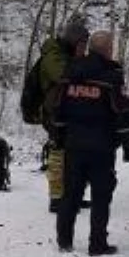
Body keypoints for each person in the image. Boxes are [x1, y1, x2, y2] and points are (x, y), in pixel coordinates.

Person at [52, 31, 129, 255]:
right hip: (102, 147)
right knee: (101, 196)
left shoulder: (71, 71)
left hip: (74, 144)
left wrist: (59, 137)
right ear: (107, 49)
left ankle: (64, 239)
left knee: (70, 194)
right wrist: (128, 144)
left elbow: (58, 108)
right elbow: (121, 112)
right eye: (112, 47)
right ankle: (97, 243)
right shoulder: (111, 75)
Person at [37, 15, 90, 213]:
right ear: (73, 42)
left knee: (72, 155)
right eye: (82, 44)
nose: (84, 49)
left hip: (68, 111)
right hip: (55, 113)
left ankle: (71, 195)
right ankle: (57, 198)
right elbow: (63, 75)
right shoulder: (53, 55)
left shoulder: (68, 56)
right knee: (58, 155)